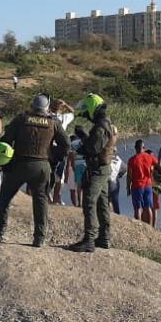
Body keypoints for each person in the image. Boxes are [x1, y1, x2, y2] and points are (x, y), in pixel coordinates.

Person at [0, 94, 70, 248]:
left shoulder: (21, 119)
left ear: (32, 106)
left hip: (19, 164)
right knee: (41, 201)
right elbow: (66, 145)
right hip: (42, 166)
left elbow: (5, 140)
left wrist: (4, 160)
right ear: (47, 108)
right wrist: (53, 156)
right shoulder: (53, 123)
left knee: (5, 196)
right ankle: (39, 236)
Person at [69, 95, 116, 253]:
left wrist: (81, 139)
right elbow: (98, 146)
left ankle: (89, 239)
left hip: (97, 169)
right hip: (104, 168)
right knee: (102, 204)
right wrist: (85, 137)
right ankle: (104, 238)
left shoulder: (100, 126)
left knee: (89, 201)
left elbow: (92, 149)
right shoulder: (105, 122)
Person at [126, 139, 158, 225]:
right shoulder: (149, 157)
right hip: (148, 185)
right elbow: (158, 164)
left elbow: (129, 175)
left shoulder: (132, 160)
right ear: (143, 148)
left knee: (138, 208)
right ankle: (151, 227)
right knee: (148, 208)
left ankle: (139, 227)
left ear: (135, 148)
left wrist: (128, 187)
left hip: (137, 186)